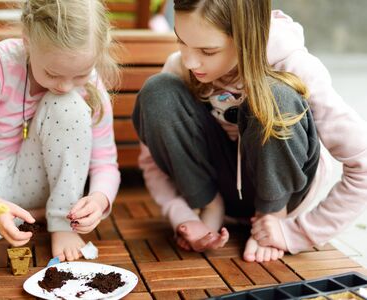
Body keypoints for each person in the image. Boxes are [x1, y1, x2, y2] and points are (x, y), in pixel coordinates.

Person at [132, 0, 367, 263]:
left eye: (208, 51)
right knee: (158, 90)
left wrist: (298, 233)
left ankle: (270, 216)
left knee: (275, 95)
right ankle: (212, 206)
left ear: (246, 38)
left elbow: (363, 165)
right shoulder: (180, 66)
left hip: (282, 199)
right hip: (212, 193)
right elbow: (152, 160)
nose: (189, 60)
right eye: (181, 41)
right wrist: (183, 216)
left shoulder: (297, 66)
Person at [0, 0, 120, 262]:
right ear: (28, 41)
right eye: (53, 73)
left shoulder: (90, 85)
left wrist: (99, 200)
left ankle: (57, 219)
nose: (66, 85)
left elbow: (105, 164)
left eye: (80, 75)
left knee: (68, 105)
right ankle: (29, 215)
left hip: (45, 182)